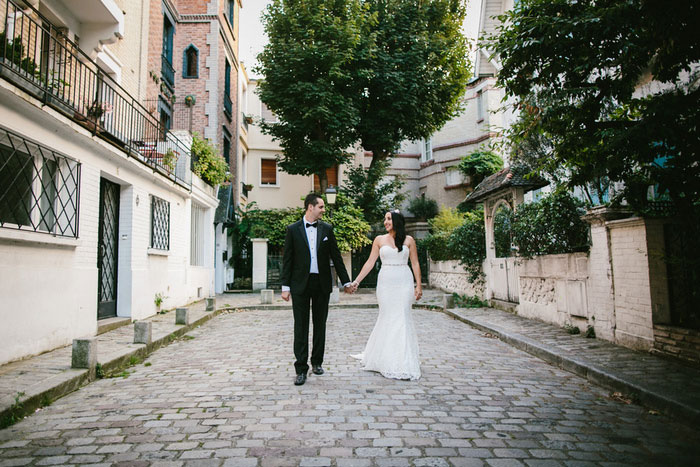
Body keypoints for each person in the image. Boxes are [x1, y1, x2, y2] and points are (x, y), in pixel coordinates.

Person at [281, 193, 354, 386]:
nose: (323, 210)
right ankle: (301, 369)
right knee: (301, 326)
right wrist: (285, 287)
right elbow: (287, 260)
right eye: (320, 207)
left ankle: (317, 362)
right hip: (299, 285)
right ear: (310, 207)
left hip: (322, 284)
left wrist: (346, 282)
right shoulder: (293, 229)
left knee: (320, 325)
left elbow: (336, 257)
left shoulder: (327, 229)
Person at [351, 209, 422, 380]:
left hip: (404, 281)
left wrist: (418, 285)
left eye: (389, 219)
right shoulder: (379, 240)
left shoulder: (409, 240)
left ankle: (402, 360)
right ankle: (385, 356)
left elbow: (415, 263)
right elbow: (370, 262)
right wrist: (357, 281)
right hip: (386, 283)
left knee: (402, 317)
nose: (385, 222)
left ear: (397, 220)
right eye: (385, 219)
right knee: (388, 316)